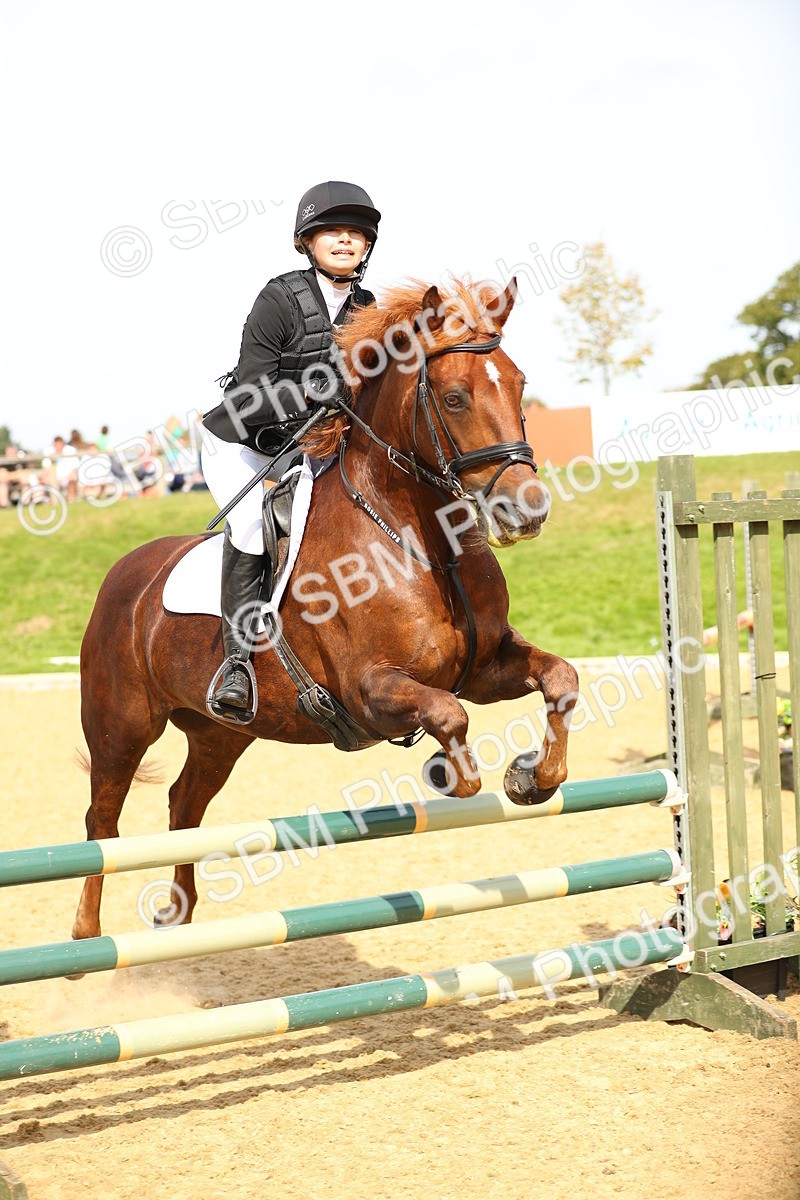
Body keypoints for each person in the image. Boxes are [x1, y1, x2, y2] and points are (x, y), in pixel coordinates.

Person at [201, 181, 381, 715]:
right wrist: (310, 389)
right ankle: (236, 666)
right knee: (255, 525)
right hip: (243, 441)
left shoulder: (369, 306)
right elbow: (246, 393)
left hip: (309, 444)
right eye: (333, 231)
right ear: (307, 240)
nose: (346, 240)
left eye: (356, 233)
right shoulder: (279, 298)